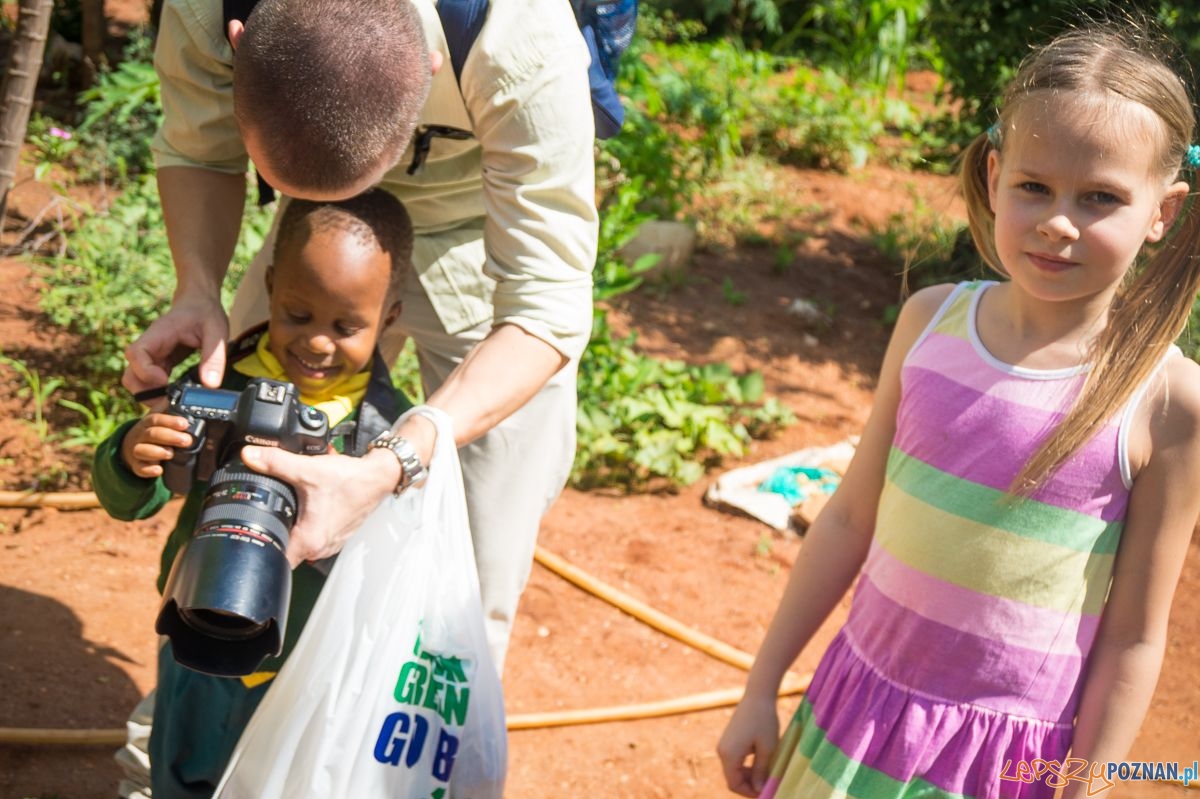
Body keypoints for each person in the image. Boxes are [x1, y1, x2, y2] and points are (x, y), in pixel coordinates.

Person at [717, 20, 1200, 799]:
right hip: (854, 712)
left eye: (1102, 197)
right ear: (996, 174)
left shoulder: (1167, 399)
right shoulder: (928, 321)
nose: (1057, 221)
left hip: (1000, 764)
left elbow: (1138, 633)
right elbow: (846, 519)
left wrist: (1086, 785)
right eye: (1034, 186)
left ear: (1162, 212)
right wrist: (759, 685)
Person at [127, 0, 598, 674]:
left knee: (481, 546)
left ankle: (413, 747)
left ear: (428, 73)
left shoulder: (517, 36)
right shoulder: (208, 7)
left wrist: (389, 463)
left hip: (482, 224)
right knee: (241, 484)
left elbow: (546, 306)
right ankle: (201, 714)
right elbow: (195, 147)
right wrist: (196, 288)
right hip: (317, 240)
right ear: (240, 40)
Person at [95, 188, 417, 797]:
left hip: (307, 657)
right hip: (196, 619)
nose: (318, 343)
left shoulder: (388, 434)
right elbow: (129, 500)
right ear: (269, 287)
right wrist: (134, 456)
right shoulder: (220, 383)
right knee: (180, 767)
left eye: (347, 326)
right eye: (297, 314)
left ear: (389, 319)